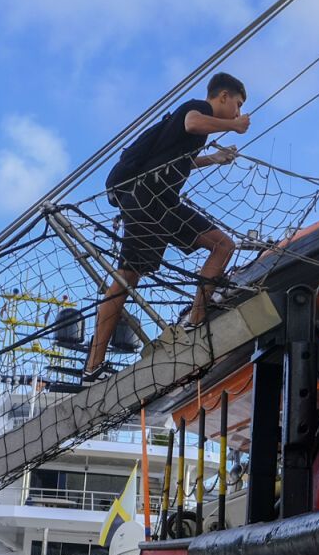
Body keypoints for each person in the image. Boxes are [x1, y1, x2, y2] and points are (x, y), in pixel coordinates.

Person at [85, 72, 251, 378]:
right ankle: (93, 366)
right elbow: (192, 122)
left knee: (223, 245)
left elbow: (180, 160)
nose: (239, 111)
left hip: (164, 202)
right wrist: (234, 126)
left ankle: (196, 321)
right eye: (238, 104)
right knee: (127, 277)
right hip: (145, 199)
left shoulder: (195, 130)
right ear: (223, 96)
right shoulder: (197, 108)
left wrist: (213, 158)